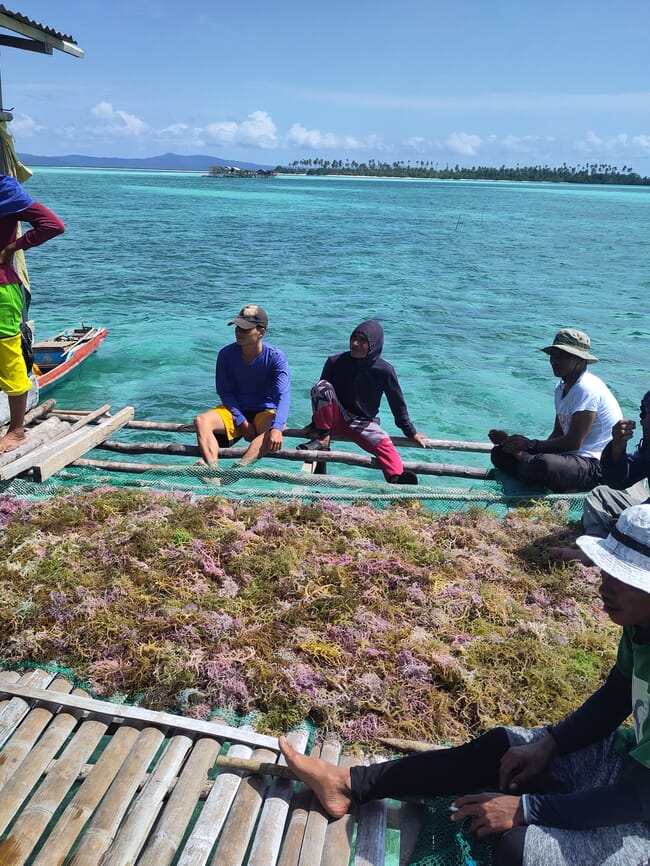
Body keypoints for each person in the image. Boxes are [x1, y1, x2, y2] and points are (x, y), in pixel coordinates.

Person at [280, 503, 650, 866]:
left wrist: (526, 809)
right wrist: (550, 744)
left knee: (518, 846)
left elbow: (639, 798)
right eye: (606, 572)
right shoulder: (638, 626)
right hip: (629, 768)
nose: (605, 586)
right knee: (505, 749)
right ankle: (350, 783)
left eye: (623, 579)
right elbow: (615, 697)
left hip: (643, 812)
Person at [489, 328, 622, 493]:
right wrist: (517, 446)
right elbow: (558, 434)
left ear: (582, 361)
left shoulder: (586, 388)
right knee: (499, 454)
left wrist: (530, 445)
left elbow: (574, 442)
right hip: (570, 459)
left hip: (596, 465)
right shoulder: (560, 388)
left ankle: (527, 463)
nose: (555, 361)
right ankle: (526, 461)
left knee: (543, 465)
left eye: (564, 356)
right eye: (554, 355)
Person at [297, 319, 427, 484]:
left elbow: (397, 404)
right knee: (321, 387)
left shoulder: (385, 370)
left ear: (373, 344)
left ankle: (396, 483)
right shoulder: (334, 362)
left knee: (385, 445)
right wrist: (315, 424)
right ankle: (322, 438)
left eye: (362, 340)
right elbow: (321, 398)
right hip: (333, 420)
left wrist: (411, 432)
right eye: (353, 338)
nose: (355, 343)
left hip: (362, 423)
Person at [0, 174, 65, 453]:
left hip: (2, 289)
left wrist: (13, 247)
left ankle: (16, 430)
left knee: (8, 354)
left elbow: (52, 225)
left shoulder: (4, 188)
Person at [194, 304, 290, 468]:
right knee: (201, 421)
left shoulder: (276, 357)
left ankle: (237, 470)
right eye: (238, 327)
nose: (239, 332)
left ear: (261, 332)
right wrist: (242, 422)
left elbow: (284, 396)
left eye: (245, 329)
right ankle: (213, 472)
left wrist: (277, 427)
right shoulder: (226, 354)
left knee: (276, 427)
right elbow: (225, 392)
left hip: (264, 411)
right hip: (234, 411)